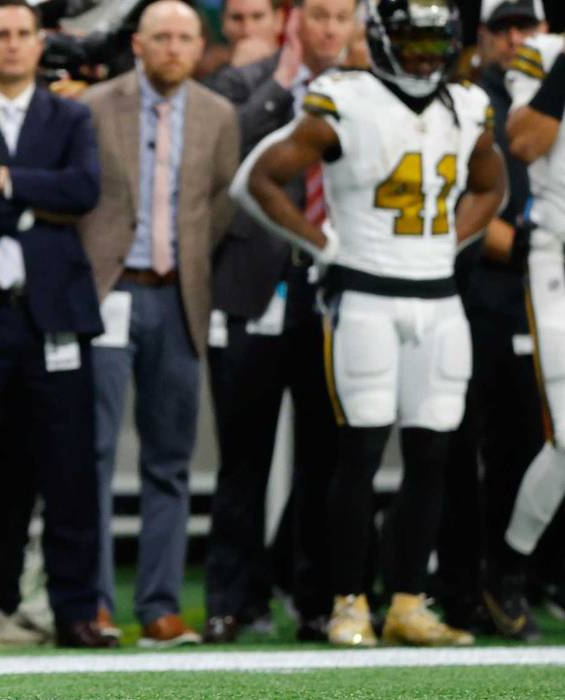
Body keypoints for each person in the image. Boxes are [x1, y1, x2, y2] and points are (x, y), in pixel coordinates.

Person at [233, 0, 506, 647]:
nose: (421, 56)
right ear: (382, 40)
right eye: (408, 41)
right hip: (363, 297)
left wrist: (452, 240)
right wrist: (322, 245)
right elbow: (257, 180)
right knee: (356, 453)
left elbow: (489, 186)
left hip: (438, 299)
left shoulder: (466, 105)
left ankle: (407, 600)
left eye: (431, 43)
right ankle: (347, 600)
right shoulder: (344, 97)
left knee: (433, 455)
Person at [0, 0, 108, 649]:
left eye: (22, 35)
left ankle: (76, 611)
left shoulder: (70, 113)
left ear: (41, 43)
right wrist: (31, 203)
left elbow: (84, 189)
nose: (12, 45)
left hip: (52, 317)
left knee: (65, 472)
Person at [77, 0, 239, 648]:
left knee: (169, 461)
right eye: (161, 37)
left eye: (184, 37)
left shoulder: (219, 115)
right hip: (108, 291)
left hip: (178, 298)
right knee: (90, 455)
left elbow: (222, 199)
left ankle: (160, 606)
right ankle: (91, 604)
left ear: (200, 46)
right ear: (137, 45)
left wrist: (190, 261)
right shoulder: (92, 106)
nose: (173, 47)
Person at [200, 0, 357, 643]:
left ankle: (315, 600)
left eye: (340, 18)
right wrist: (286, 78)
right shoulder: (242, 82)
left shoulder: (367, 92)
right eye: (316, 16)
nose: (327, 30)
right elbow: (230, 148)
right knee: (243, 457)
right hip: (253, 287)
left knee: (326, 455)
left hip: (335, 289)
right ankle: (231, 601)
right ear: (293, 22)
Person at [434, 0, 547, 639]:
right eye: (502, 27)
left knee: (530, 446)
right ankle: (462, 585)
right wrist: (539, 244)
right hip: (483, 291)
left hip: (545, 293)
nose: (514, 38)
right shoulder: (469, 103)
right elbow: (463, 204)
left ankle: (513, 579)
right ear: (482, 35)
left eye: (524, 26)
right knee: (465, 446)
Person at [497, 4, 565, 631]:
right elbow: (523, 142)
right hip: (557, 257)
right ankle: (510, 568)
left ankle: (512, 566)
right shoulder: (542, 55)